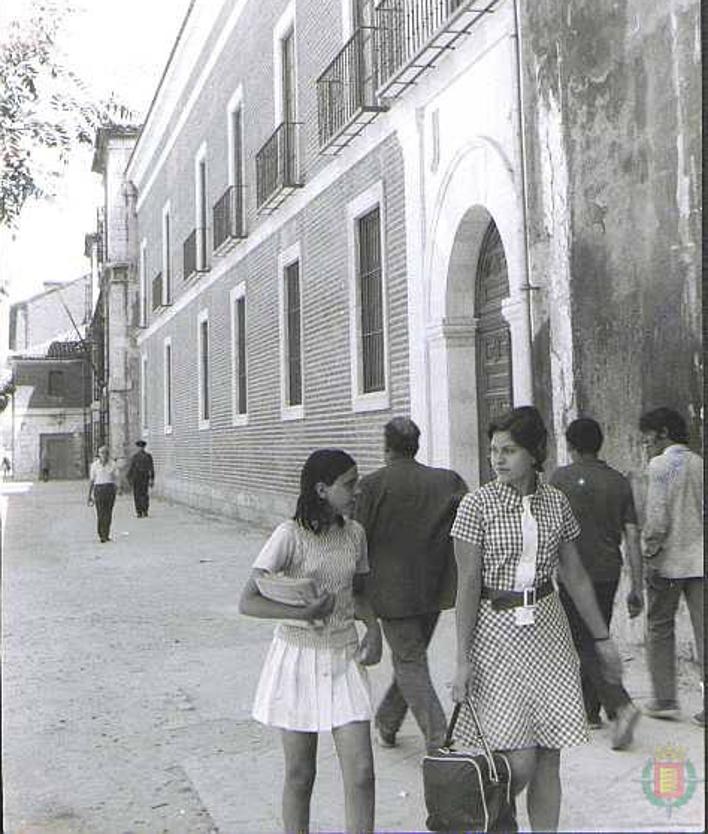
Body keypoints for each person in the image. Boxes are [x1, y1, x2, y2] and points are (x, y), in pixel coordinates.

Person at [451, 406, 623, 833]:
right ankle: (494, 822)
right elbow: (468, 585)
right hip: (495, 633)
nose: (498, 459)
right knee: (517, 761)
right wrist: (461, 658)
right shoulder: (476, 505)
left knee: (550, 753)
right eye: (494, 450)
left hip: (548, 630)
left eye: (508, 450)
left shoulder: (557, 502)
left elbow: (576, 576)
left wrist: (602, 640)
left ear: (534, 453)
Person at [239, 449, 382, 834]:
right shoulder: (288, 535)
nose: (357, 491)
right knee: (301, 774)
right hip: (297, 660)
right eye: (349, 485)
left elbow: (361, 594)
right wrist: (301, 613)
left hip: (344, 658)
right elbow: (248, 600)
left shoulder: (355, 534)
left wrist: (375, 630)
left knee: (362, 774)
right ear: (322, 489)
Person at [354, 416, 467, 753]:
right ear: (416, 445)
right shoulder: (448, 481)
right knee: (411, 659)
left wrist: (356, 592)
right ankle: (387, 722)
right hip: (434, 588)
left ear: (386, 448)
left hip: (390, 593)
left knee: (409, 661)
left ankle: (439, 741)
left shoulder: (372, 486)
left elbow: (357, 541)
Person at [550, 418, 643, 749]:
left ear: (571, 446)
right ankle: (589, 710)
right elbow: (632, 536)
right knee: (597, 632)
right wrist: (637, 586)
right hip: (608, 571)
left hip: (573, 573)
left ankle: (621, 704)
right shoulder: (619, 482)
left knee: (584, 641)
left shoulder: (559, 479)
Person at [638, 407, 704, 726]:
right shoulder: (699, 464)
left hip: (667, 560)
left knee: (660, 626)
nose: (646, 445)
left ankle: (665, 698)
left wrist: (649, 551)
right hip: (700, 559)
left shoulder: (660, 465)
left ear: (663, 433)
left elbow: (657, 517)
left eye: (648, 438)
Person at [88, 445, 120, 543]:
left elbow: (117, 478)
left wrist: (118, 488)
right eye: (102, 453)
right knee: (100, 513)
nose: (104, 455)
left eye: (106, 453)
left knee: (108, 513)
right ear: (99, 454)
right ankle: (101, 534)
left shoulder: (113, 464)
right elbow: (92, 481)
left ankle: (106, 534)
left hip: (109, 489)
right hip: (99, 489)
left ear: (108, 454)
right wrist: (89, 495)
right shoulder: (94, 465)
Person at [127, 440, 155, 517]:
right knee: (137, 495)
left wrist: (152, 479)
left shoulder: (148, 456)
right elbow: (132, 468)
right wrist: (129, 478)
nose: (140, 448)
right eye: (139, 447)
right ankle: (139, 511)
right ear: (138, 447)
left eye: (142, 447)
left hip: (144, 478)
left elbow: (151, 468)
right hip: (136, 478)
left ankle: (145, 510)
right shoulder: (135, 457)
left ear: (144, 447)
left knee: (144, 495)